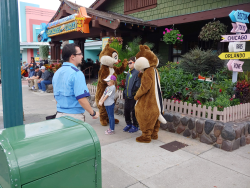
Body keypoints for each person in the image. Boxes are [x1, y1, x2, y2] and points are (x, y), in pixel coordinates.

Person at [52, 43, 99, 121]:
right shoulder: (77, 73)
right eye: (80, 54)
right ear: (72, 57)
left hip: (59, 115)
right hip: (74, 117)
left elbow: (56, 98)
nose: (82, 56)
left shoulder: (57, 73)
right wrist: (93, 113)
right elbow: (81, 99)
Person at [123, 56, 141, 133]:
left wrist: (134, 93)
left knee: (134, 112)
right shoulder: (129, 72)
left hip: (133, 96)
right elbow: (126, 83)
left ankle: (135, 126)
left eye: (130, 63)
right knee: (126, 111)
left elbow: (138, 85)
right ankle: (129, 124)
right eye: (128, 63)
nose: (128, 64)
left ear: (135, 63)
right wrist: (124, 93)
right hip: (127, 95)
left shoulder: (137, 73)